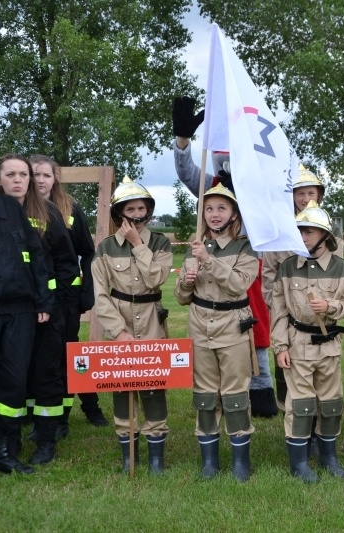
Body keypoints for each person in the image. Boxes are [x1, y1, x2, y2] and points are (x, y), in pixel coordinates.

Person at [172, 95, 278, 419]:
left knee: (256, 326)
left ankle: (260, 390)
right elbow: (186, 170)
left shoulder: (258, 185)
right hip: (214, 265)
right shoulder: (212, 186)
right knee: (220, 332)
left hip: (249, 266)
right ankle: (219, 392)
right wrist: (183, 138)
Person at [0, 154, 79, 466]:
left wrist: (60, 304)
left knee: (46, 374)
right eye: (11, 175)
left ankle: (46, 439)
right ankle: (10, 440)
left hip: (47, 312)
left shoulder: (48, 213)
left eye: (24, 175)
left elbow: (68, 263)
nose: (18, 181)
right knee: (13, 376)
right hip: (5, 311)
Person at [175, 184, 259, 481]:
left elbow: (238, 284)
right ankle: (209, 461)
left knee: (235, 395)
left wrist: (208, 261)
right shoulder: (195, 246)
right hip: (200, 327)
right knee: (205, 396)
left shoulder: (246, 247)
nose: (214, 214)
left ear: (234, 214)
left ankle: (240, 462)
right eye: (209, 208)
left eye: (221, 208)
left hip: (232, 327)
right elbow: (182, 298)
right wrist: (186, 281)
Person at [91, 177, 172, 473]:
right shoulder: (105, 248)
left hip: (152, 319)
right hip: (120, 322)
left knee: (153, 385)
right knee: (121, 384)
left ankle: (156, 458)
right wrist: (119, 332)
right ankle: (128, 455)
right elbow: (100, 295)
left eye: (141, 208)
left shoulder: (160, 243)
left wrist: (139, 245)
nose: (137, 215)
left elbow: (156, 279)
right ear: (118, 213)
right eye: (130, 209)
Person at [271, 200, 344, 482]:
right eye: (299, 231)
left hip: (329, 345)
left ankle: (328, 457)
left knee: (331, 403)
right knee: (301, 403)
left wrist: (330, 306)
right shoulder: (286, 267)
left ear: (325, 236)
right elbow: (279, 310)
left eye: (308, 231)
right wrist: (280, 346)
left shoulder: (343, 268)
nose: (303, 236)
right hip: (297, 344)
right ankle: (298, 463)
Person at [0, 156, 52, 474]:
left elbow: (35, 256)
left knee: (12, 385)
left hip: (21, 312)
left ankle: (4, 455)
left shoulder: (10, 208)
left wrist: (43, 301)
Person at [31, 155, 109, 432]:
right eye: (35, 175)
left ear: (55, 179)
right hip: (34, 299)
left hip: (67, 299)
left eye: (46, 175)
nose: (40, 180)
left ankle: (88, 407)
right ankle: (38, 415)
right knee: (37, 358)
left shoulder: (69, 208)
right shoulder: (20, 209)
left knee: (71, 356)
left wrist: (86, 291)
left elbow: (87, 252)